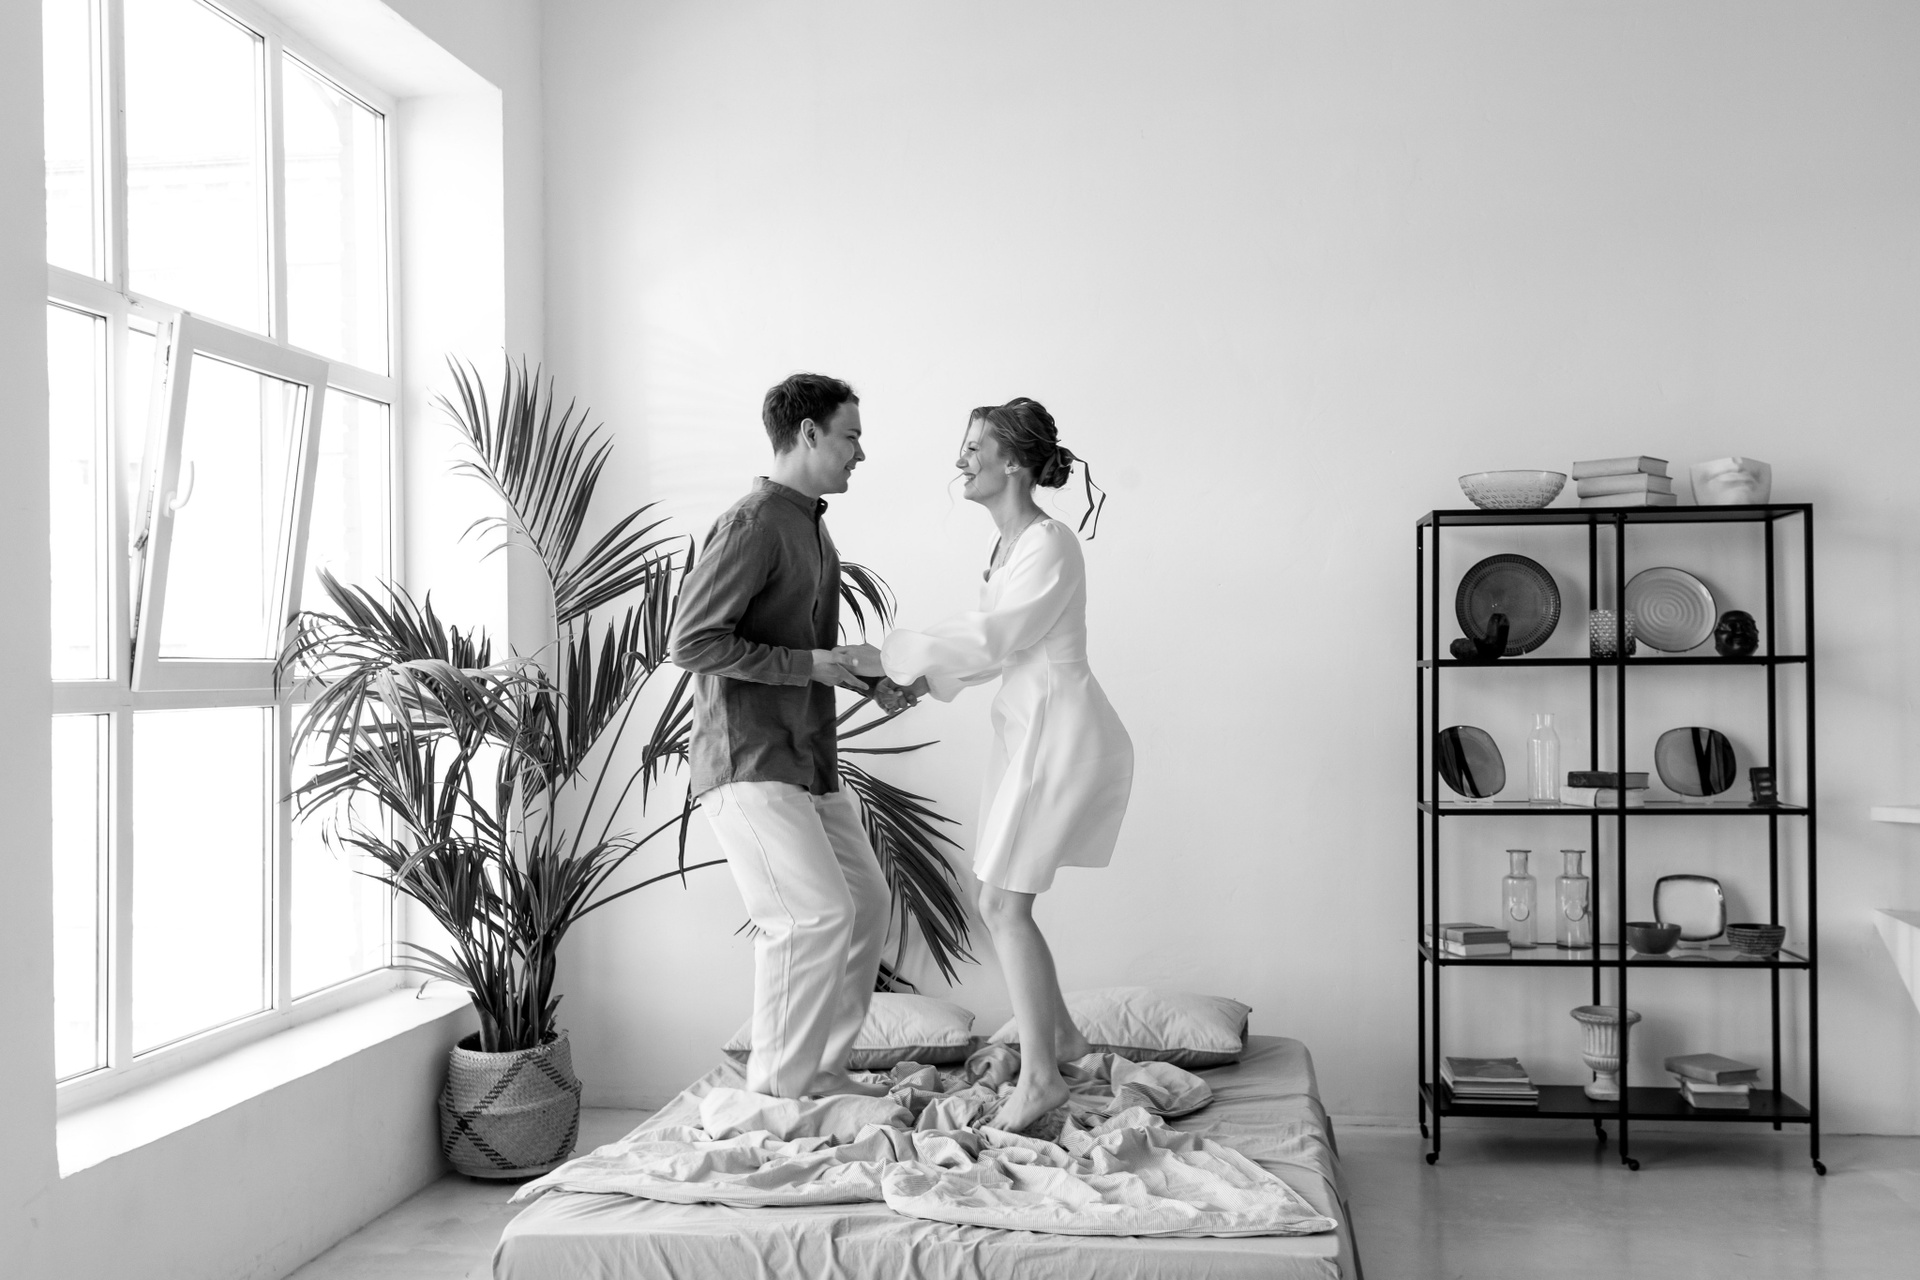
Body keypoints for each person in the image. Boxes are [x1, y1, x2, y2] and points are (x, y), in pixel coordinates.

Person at [855, 398, 1134, 1134]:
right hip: (1031, 729)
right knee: (998, 898)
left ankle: (1041, 1078)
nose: (962, 460)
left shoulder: (1050, 543)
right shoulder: (1010, 547)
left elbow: (995, 636)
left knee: (1004, 906)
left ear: (1013, 460)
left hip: (1058, 733)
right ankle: (1062, 1041)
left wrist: (892, 658)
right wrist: (913, 679)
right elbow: (994, 646)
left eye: (974, 446)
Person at [668, 372, 892, 1099]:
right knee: (811, 916)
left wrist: (864, 676)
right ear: (808, 433)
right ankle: (777, 1092)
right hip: (751, 759)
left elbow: (800, 651)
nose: (860, 452)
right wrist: (809, 664)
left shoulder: (812, 524)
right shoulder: (756, 522)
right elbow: (691, 641)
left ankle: (820, 1069)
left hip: (806, 760)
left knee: (865, 904)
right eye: (851, 436)